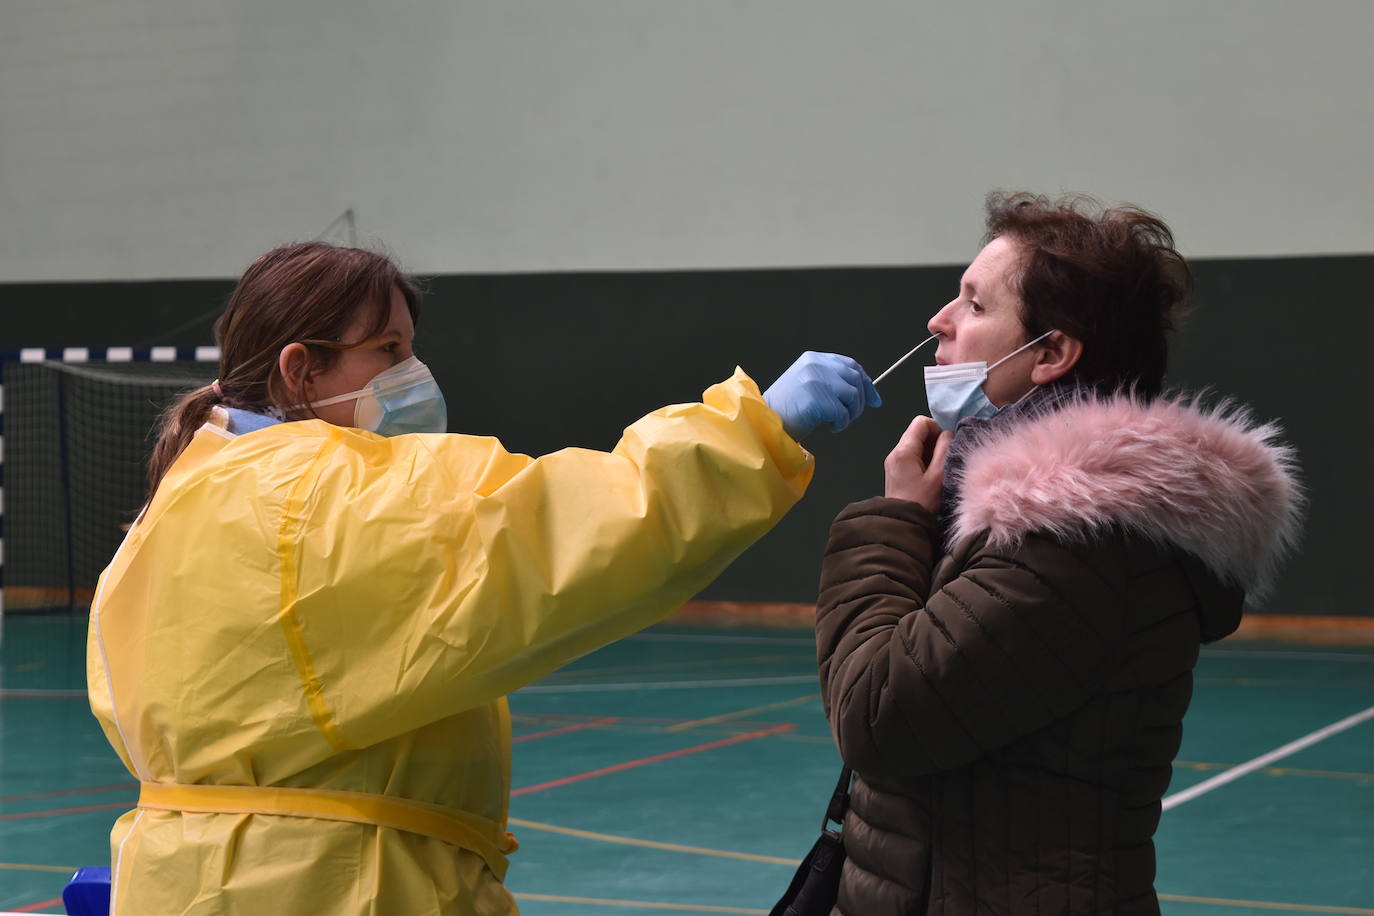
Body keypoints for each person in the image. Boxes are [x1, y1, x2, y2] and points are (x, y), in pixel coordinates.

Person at [87, 241, 880, 915]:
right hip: (336, 885)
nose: (414, 372)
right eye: (387, 352)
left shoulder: (174, 506)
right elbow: (559, 537)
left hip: (179, 880)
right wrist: (755, 431)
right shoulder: (329, 492)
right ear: (300, 371)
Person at [814, 193, 1303, 915]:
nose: (939, 322)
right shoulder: (1017, 519)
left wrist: (891, 522)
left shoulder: (1078, 542)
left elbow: (878, 714)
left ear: (1050, 354)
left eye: (975, 305)